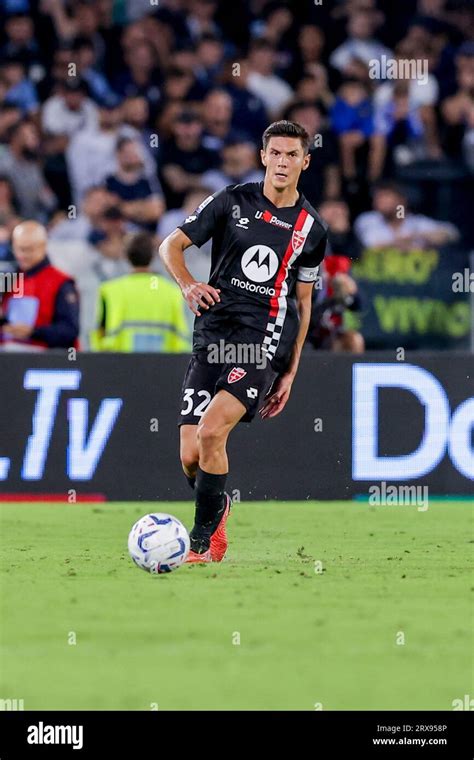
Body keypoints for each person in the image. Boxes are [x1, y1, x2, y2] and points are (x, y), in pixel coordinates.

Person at [159, 120, 328, 563]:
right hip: (212, 336)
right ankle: (220, 507)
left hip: (260, 342)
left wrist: (290, 369)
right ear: (263, 157)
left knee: (213, 432)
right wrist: (188, 285)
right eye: (276, 153)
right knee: (191, 454)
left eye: (292, 155)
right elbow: (170, 246)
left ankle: (197, 545)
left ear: (305, 162)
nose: (283, 162)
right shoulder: (232, 201)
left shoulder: (312, 229)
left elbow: (304, 302)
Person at [91, 231, 190, 353]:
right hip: (163, 367)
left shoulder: (109, 290)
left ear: (126, 256)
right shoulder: (173, 291)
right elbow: (182, 338)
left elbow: (100, 334)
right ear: (153, 256)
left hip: (118, 366)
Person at [0, 220, 79, 349]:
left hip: (45, 361)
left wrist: (34, 332)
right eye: (19, 249)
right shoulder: (9, 279)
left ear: (43, 246)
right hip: (8, 358)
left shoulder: (61, 282)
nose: (22, 255)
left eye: (29, 249)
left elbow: (69, 331)